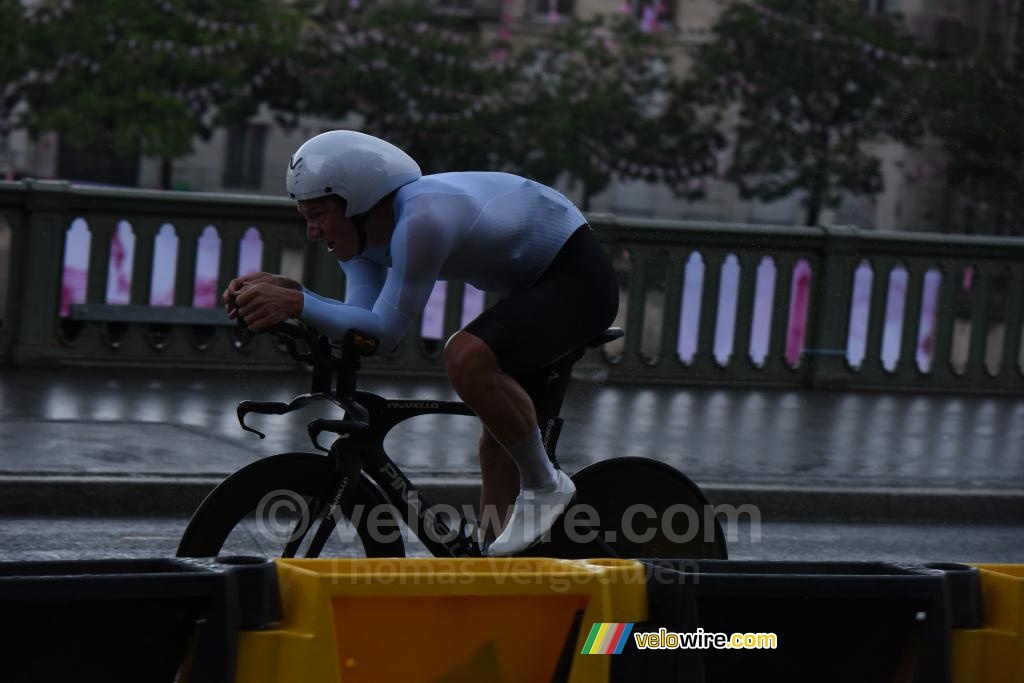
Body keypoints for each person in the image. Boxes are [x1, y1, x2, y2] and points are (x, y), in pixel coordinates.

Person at [224, 130, 618, 556]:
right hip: (533, 286)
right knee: (499, 442)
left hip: (577, 278)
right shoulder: (360, 241)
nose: (312, 232)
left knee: (467, 355)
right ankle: (495, 578)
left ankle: (545, 486)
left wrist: (297, 301)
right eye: (305, 217)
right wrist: (295, 296)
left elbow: (385, 335)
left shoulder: (421, 220)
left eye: (318, 214)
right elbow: (362, 327)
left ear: (357, 202)